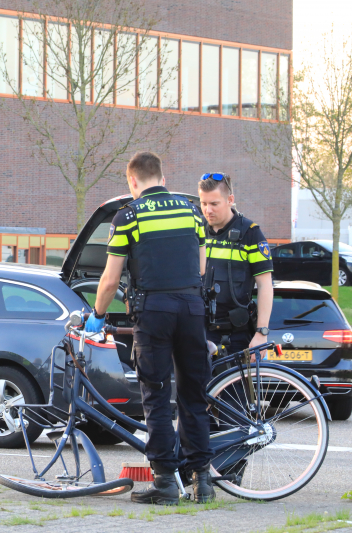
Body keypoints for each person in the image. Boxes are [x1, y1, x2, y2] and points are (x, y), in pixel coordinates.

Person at [85, 152, 213, 505]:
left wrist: (97, 314)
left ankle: (165, 483)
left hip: (154, 311)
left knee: (156, 395)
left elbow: (111, 279)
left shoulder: (128, 216)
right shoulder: (191, 211)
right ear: (163, 175)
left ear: (133, 181)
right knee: (193, 396)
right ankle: (202, 482)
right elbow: (201, 267)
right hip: (191, 307)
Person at [198, 174, 273, 358]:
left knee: (236, 388)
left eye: (214, 204)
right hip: (200, 331)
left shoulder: (250, 234)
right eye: (204, 203)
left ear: (230, 200)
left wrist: (261, 333)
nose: (208, 210)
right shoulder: (196, 230)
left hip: (237, 336)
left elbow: (265, 285)